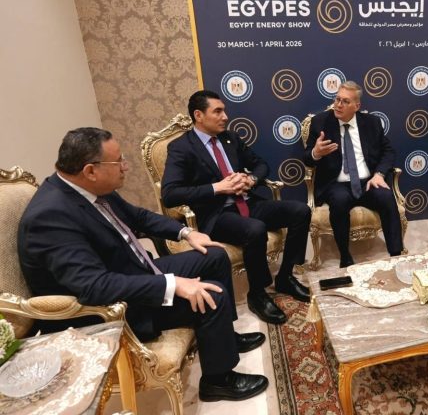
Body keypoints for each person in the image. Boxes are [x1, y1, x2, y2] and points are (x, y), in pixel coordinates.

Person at [18, 127, 268, 402]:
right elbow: (95, 286)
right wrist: (172, 284)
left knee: (214, 255)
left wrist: (186, 232)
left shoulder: (88, 188)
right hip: (111, 309)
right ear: (91, 170)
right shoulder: (51, 216)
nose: (125, 167)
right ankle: (218, 381)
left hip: (132, 271)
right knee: (212, 296)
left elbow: (139, 217)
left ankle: (225, 337)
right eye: (118, 161)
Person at [162, 90, 311, 325]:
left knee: (300, 211)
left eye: (224, 111)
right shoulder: (181, 147)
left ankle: (285, 276)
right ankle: (257, 293)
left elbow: (261, 164)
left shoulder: (230, 138)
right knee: (255, 229)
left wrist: (251, 179)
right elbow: (170, 194)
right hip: (217, 214)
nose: (225, 116)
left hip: (248, 202)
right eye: (218, 111)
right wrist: (217, 188)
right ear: (199, 115)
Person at [303, 81, 404, 267]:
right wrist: (316, 153)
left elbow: (388, 151)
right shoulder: (320, 122)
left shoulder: (372, 123)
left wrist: (379, 174)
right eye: (337, 99)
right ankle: (345, 257)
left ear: (357, 106)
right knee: (339, 201)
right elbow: (307, 159)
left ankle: (396, 255)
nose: (338, 105)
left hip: (368, 181)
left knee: (386, 196)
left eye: (345, 101)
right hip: (336, 183)